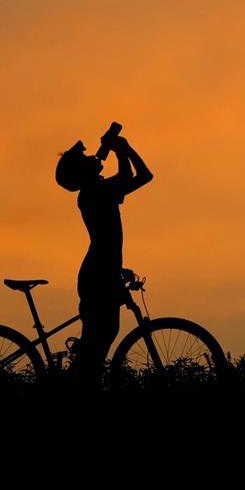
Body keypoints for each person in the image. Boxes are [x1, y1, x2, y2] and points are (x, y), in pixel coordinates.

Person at [55, 131, 153, 387]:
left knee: (102, 335)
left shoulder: (96, 190)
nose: (92, 158)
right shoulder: (96, 191)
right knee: (101, 336)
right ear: (82, 173)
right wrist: (123, 149)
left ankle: (83, 382)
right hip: (99, 273)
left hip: (100, 270)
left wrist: (124, 149)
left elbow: (142, 177)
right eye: (86, 158)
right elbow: (131, 176)